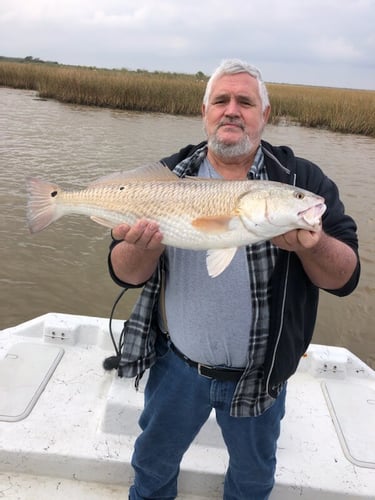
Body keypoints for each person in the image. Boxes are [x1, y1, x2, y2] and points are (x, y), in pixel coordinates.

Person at [108, 59, 360, 499]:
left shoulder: (301, 181)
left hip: (262, 375)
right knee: (151, 467)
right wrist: (138, 247)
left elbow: (345, 277)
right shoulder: (170, 175)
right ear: (204, 112)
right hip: (177, 368)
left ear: (265, 115)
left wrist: (311, 245)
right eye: (220, 100)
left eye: (245, 102)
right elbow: (123, 273)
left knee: (252, 481)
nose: (231, 110)